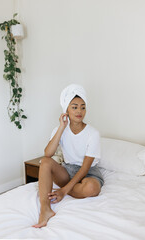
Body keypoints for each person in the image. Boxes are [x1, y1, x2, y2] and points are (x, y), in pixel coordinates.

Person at [33, 84, 104, 228]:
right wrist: (61, 127)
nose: (80, 111)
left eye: (83, 107)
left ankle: (67, 188)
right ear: (66, 109)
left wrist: (63, 190)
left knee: (92, 188)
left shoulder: (93, 133)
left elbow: (84, 168)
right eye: (74, 107)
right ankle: (45, 209)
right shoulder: (60, 130)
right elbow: (48, 154)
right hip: (68, 170)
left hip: (88, 172)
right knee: (45, 162)